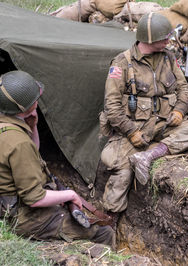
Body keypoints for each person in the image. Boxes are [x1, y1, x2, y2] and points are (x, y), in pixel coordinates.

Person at [100, 12, 188, 216]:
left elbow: (184, 90)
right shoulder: (122, 63)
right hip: (135, 129)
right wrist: (130, 132)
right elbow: (111, 107)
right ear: (150, 39)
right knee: (120, 170)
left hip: (164, 124)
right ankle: (109, 220)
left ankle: (149, 155)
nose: (169, 40)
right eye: (164, 38)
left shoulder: (169, 57)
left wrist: (179, 111)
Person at [0, 70, 115, 246]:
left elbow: (32, 154)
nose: (37, 101)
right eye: (34, 99)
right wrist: (69, 194)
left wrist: (33, 126)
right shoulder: (18, 142)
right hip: (19, 216)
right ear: (24, 107)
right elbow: (34, 198)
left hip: (9, 202)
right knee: (103, 233)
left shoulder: (8, 126)